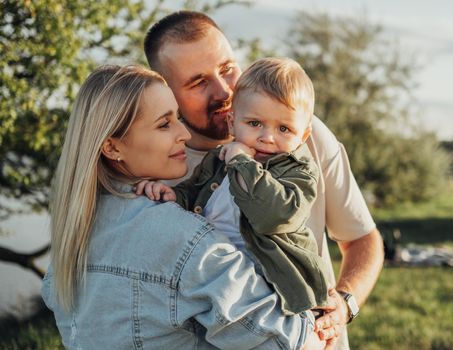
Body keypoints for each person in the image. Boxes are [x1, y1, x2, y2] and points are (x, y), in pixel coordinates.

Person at [41, 65, 328, 349]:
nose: (185, 135)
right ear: (113, 147)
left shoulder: (74, 236)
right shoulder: (185, 240)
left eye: (177, 118)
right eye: (164, 124)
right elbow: (295, 344)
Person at [144, 11, 384, 349]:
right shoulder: (155, 161)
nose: (225, 90)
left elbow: (362, 239)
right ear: (166, 91)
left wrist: (346, 304)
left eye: (227, 69)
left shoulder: (302, 136)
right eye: (198, 83)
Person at [139, 57, 330, 315]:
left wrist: (242, 161)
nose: (267, 137)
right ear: (232, 122)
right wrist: (175, 196)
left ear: (303, 135)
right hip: (221, 281)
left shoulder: (297, 171)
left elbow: (274, 217)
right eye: (254, 123)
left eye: (284, 128)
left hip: (274, 291)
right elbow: (195, 192)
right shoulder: (219, 159)